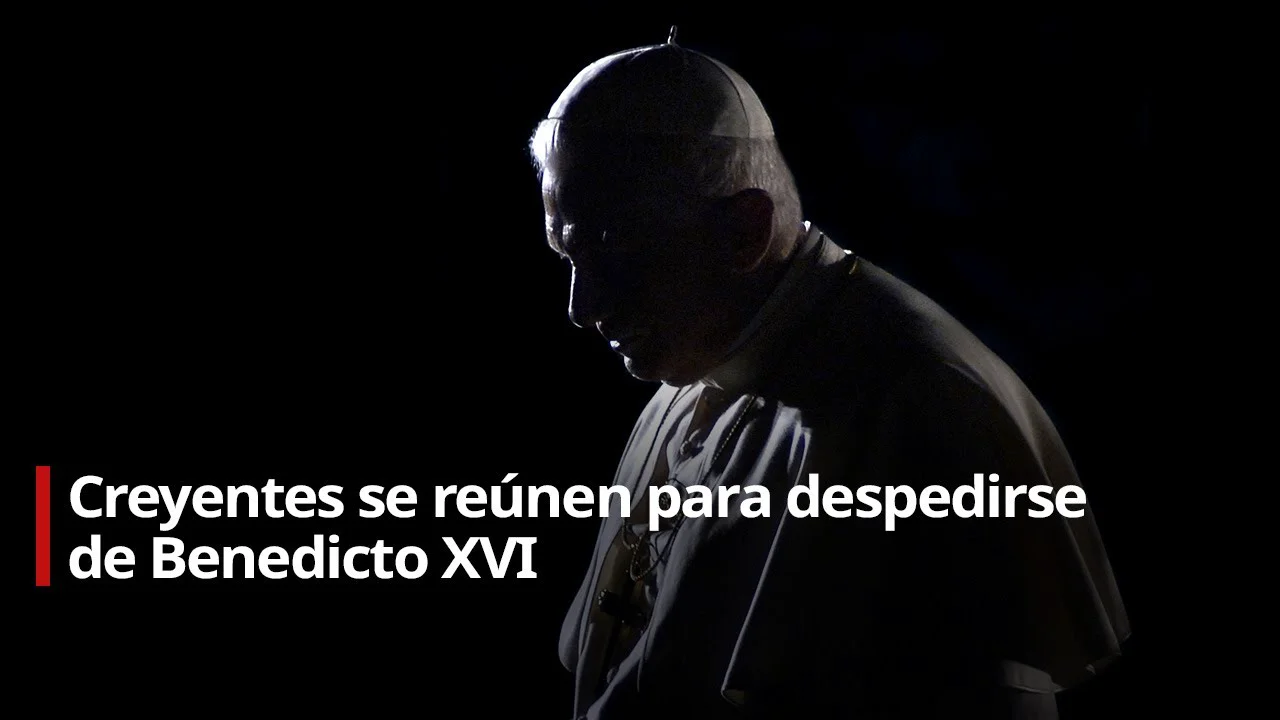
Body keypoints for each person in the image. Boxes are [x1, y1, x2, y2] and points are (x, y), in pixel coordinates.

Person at [528, 33, 1130, 720]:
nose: (581, 307)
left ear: (744, 231)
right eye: (567, 253)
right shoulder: (693, 369)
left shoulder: (924, 405)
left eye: (615, 250)